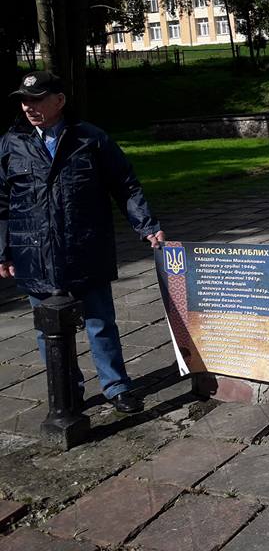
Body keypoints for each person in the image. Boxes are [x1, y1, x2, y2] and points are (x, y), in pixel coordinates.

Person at [0, 70, 165, 413]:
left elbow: (125, 184)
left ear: (59, 100)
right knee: (47, 328)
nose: (28, 106)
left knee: (99, 321)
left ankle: (116, 386)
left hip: (86, 246)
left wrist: (146, 225)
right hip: (34, 252)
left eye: (36, 99)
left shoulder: (90, 139)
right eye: (24, 100)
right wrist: (3, 251)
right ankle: (66, 390)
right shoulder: (11, 143)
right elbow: (2, 202)